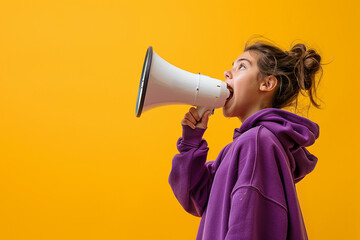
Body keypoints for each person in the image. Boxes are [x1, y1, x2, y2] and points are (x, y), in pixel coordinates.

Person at [168, 38, 323, 240]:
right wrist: (191, 143)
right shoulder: (241, 147)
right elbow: (196, 198)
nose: (227, 73)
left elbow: (246, 228)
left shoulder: (256, 142)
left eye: (241, 66)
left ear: (267, 84)